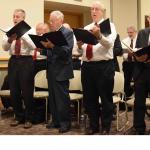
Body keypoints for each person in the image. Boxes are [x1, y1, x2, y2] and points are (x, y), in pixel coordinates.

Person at [77, 1, 117, 135]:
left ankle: (105, 127)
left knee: (105, 98)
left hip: (104, 67)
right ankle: (93, 126)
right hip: (87, 67)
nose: (93, 11)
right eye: (92, 9)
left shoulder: (109, 25)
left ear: (103, 12)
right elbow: (82, 50)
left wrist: (99, 35)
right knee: (89, 98)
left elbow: (109, 44)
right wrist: (79, 45)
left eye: (97, 9)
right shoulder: (87, 27)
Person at [40, 11, 74, 133]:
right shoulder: (51, 33)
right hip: (51, 69)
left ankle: (65, 123)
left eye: (52, 20)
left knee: (62, 99)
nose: (50, 22)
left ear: (60, 20)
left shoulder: (68, 33)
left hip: (62, 70)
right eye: (50, 20)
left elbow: (66, 52)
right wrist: (42, 47)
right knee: (53, 98)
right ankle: (55, 121)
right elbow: (48, 51)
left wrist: (52, 47)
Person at [2, 9, 35, 129]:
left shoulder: (30, 30)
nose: (15, 18)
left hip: (26, 61)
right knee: (14, 90)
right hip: (13, 61)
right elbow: (5, 48)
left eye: (18, 17)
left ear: (23, 19)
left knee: (27, 91)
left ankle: (29, 118)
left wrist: (23, 36)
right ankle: (18, 117)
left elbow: (33, 46)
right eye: (14, 16)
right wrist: (10, 39)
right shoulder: (8, 30)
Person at [127, 15, 150, 135]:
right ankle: (139, 127)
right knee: (139, 102)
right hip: (141, 71)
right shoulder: (142, 32)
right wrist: (138, 56)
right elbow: (138, 50)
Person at [122, 26, 137, 98]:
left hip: (136, 63)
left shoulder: (139, 40)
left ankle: (137, 97)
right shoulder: (124, 41)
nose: (129, 34)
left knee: (137, 81)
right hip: (127, 63)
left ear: (135, 32)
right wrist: (128, 54)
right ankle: (126, 99)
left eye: (131, 32)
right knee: (126, 82)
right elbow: (123, 53)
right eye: (128, 32)